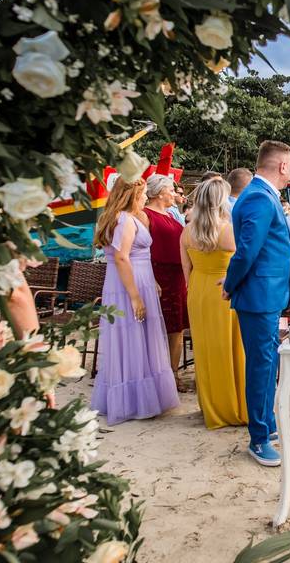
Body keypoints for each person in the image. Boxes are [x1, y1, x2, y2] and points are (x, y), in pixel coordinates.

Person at [223, 140, 290, 467]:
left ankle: (267, 421)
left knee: (268, 363)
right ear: (281, 166)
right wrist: (230, 284)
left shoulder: (258, 195)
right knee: (261, 366)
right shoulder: (259, 198)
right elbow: (247, 251)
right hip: (258, 296)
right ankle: (259, 438)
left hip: (266, 295)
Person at [90, 178, 180, 425]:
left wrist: (152, 282)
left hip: (140, 279)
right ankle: (133, 400)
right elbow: (121, 257)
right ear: (131, 196)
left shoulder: (122, 218)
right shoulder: (124, 220)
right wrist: (135, 296)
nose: (144, 198)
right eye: (141, 195)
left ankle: (140, 396)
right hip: (128, 284)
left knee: (138, 338)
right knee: (133, 337)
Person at [180, 177, 248, 428]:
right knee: (230, 348)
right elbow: (245, 263)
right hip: (225, 292)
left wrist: (194, 290)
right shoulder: (228, 230)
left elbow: (186, 268)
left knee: (205, 350)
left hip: (198, 292)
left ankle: (211, 408)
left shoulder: (187, 231)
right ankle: (233, 407)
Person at [143, 174, 189, 390]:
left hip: (178, 276)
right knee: (157, 327)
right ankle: (156, 374)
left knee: (177, 327)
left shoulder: (172, 216)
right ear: (160, 192)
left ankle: (173, 373)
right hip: (158, 274)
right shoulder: (145, 215)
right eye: (171, 190)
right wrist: (150, 278)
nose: (175, 194)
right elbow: (141, 251)